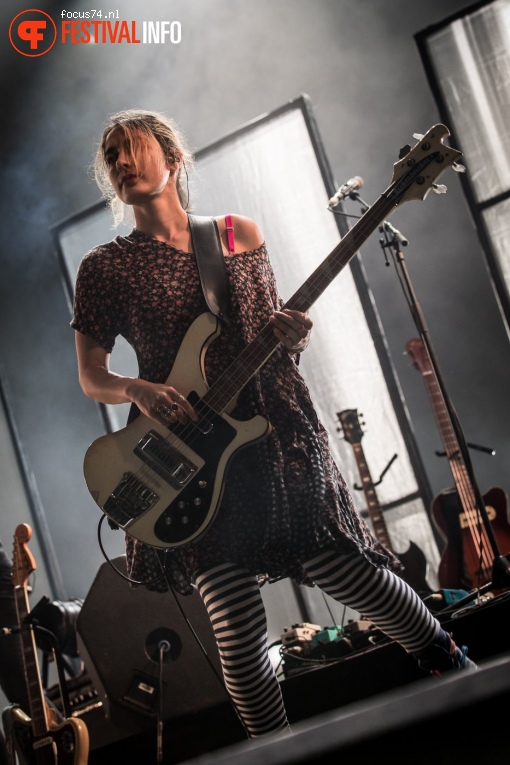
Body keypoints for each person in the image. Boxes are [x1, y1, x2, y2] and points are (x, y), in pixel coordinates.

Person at [71, 109, 477, 739]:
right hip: (188, 462)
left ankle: (462, 673)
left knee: (357, 578)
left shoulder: (236, 233)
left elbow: (272, 342)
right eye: (112, 156)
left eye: (133, 148)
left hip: (274, 432)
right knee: (236, 638)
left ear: (172, 157)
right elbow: (92, 375)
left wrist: (292, 335)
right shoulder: (105, 266)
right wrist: (137, 389)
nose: (122, 163)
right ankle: (277, 752)